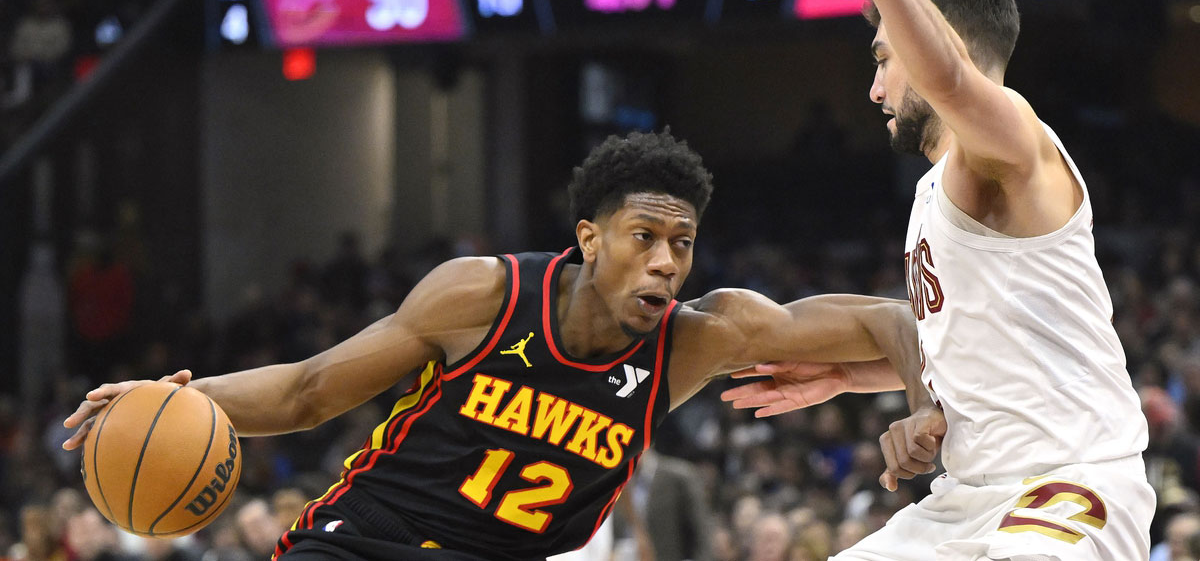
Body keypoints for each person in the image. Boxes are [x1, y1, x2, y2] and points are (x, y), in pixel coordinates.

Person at [64, 130, 916, 561]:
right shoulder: (484, 294)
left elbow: (893, 321)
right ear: (589, 237)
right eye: (643, 236)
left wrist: (924, 407)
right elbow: (308, 392)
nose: (664, 261)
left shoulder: (702, 337)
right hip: (369, 540)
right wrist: (174, 398)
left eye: (682, 243)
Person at [724, 0, 1154, 559]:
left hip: (1070, 486)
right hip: (966, 497)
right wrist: (856, 374)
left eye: (883, 59)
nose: (874, 90)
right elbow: (971, 342)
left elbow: (951, 79)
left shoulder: (1014, 142)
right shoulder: (936, 191)